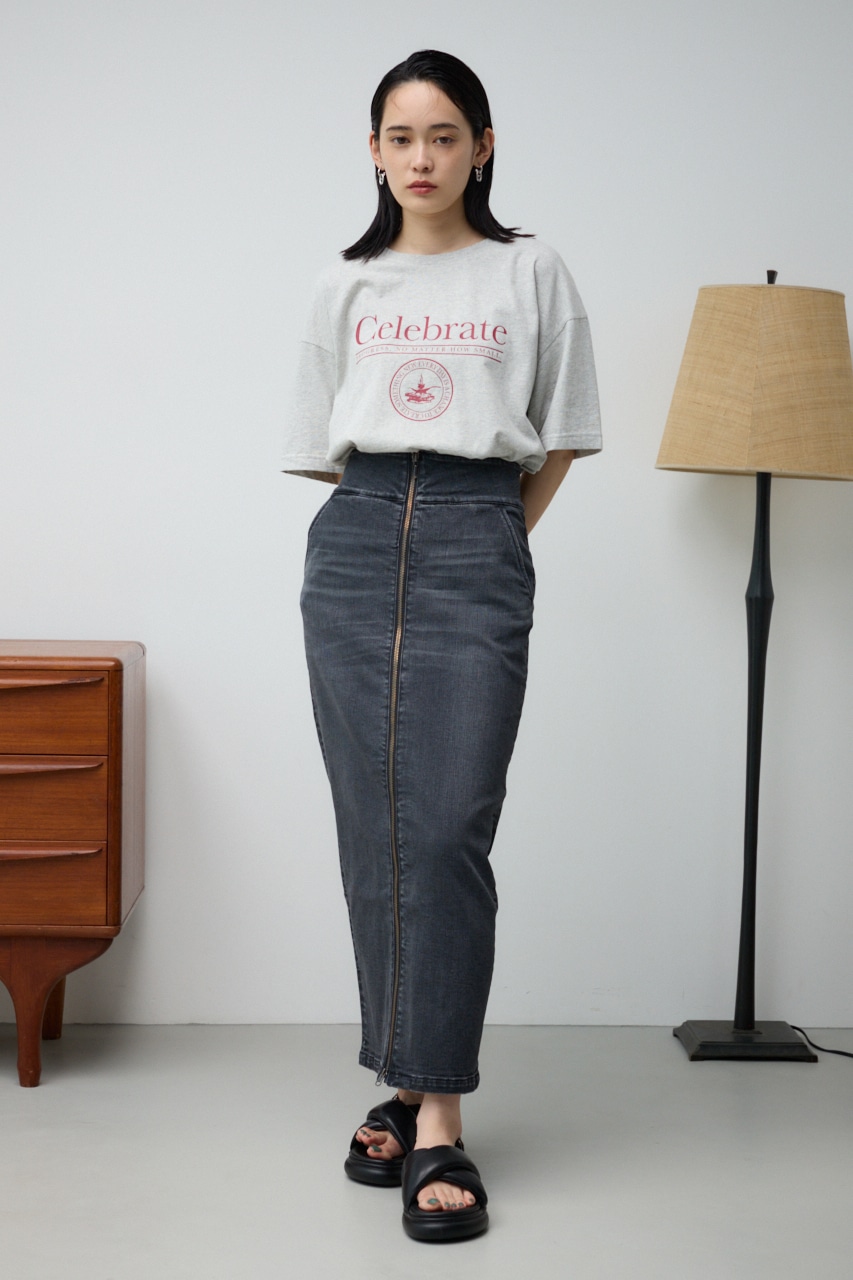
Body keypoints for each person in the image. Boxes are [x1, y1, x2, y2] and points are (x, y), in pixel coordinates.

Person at [282, 49, 601, 1242]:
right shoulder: (345, 283)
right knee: (376, 823)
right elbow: (324, 446)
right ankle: (408, 1081)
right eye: (401, 137)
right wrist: (400, 529)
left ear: (483, 146)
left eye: (445, 135)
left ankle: (437, 1112)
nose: (422, 158)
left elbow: (560, 432)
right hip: (358, 536)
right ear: (373, 152)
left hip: (477, 527)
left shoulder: (530, 270)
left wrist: (490, 538)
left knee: (450, 823)